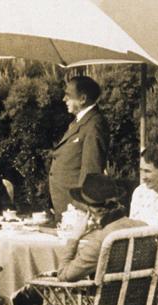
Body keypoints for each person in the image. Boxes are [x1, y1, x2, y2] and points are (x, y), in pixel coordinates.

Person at [11, 174, 145, 305]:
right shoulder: (142, 227)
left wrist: (74, 238)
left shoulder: (102, 241)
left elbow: (64, 275)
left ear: (92, 210)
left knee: (40, 288)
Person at [48, 75, 108, 216]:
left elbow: (91, 170)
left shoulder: (94, 124)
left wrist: (81, 208)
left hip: (75, 208)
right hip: (65, 203)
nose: (64, 99)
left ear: (82, 99)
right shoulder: (79, 122)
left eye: (68, 96)